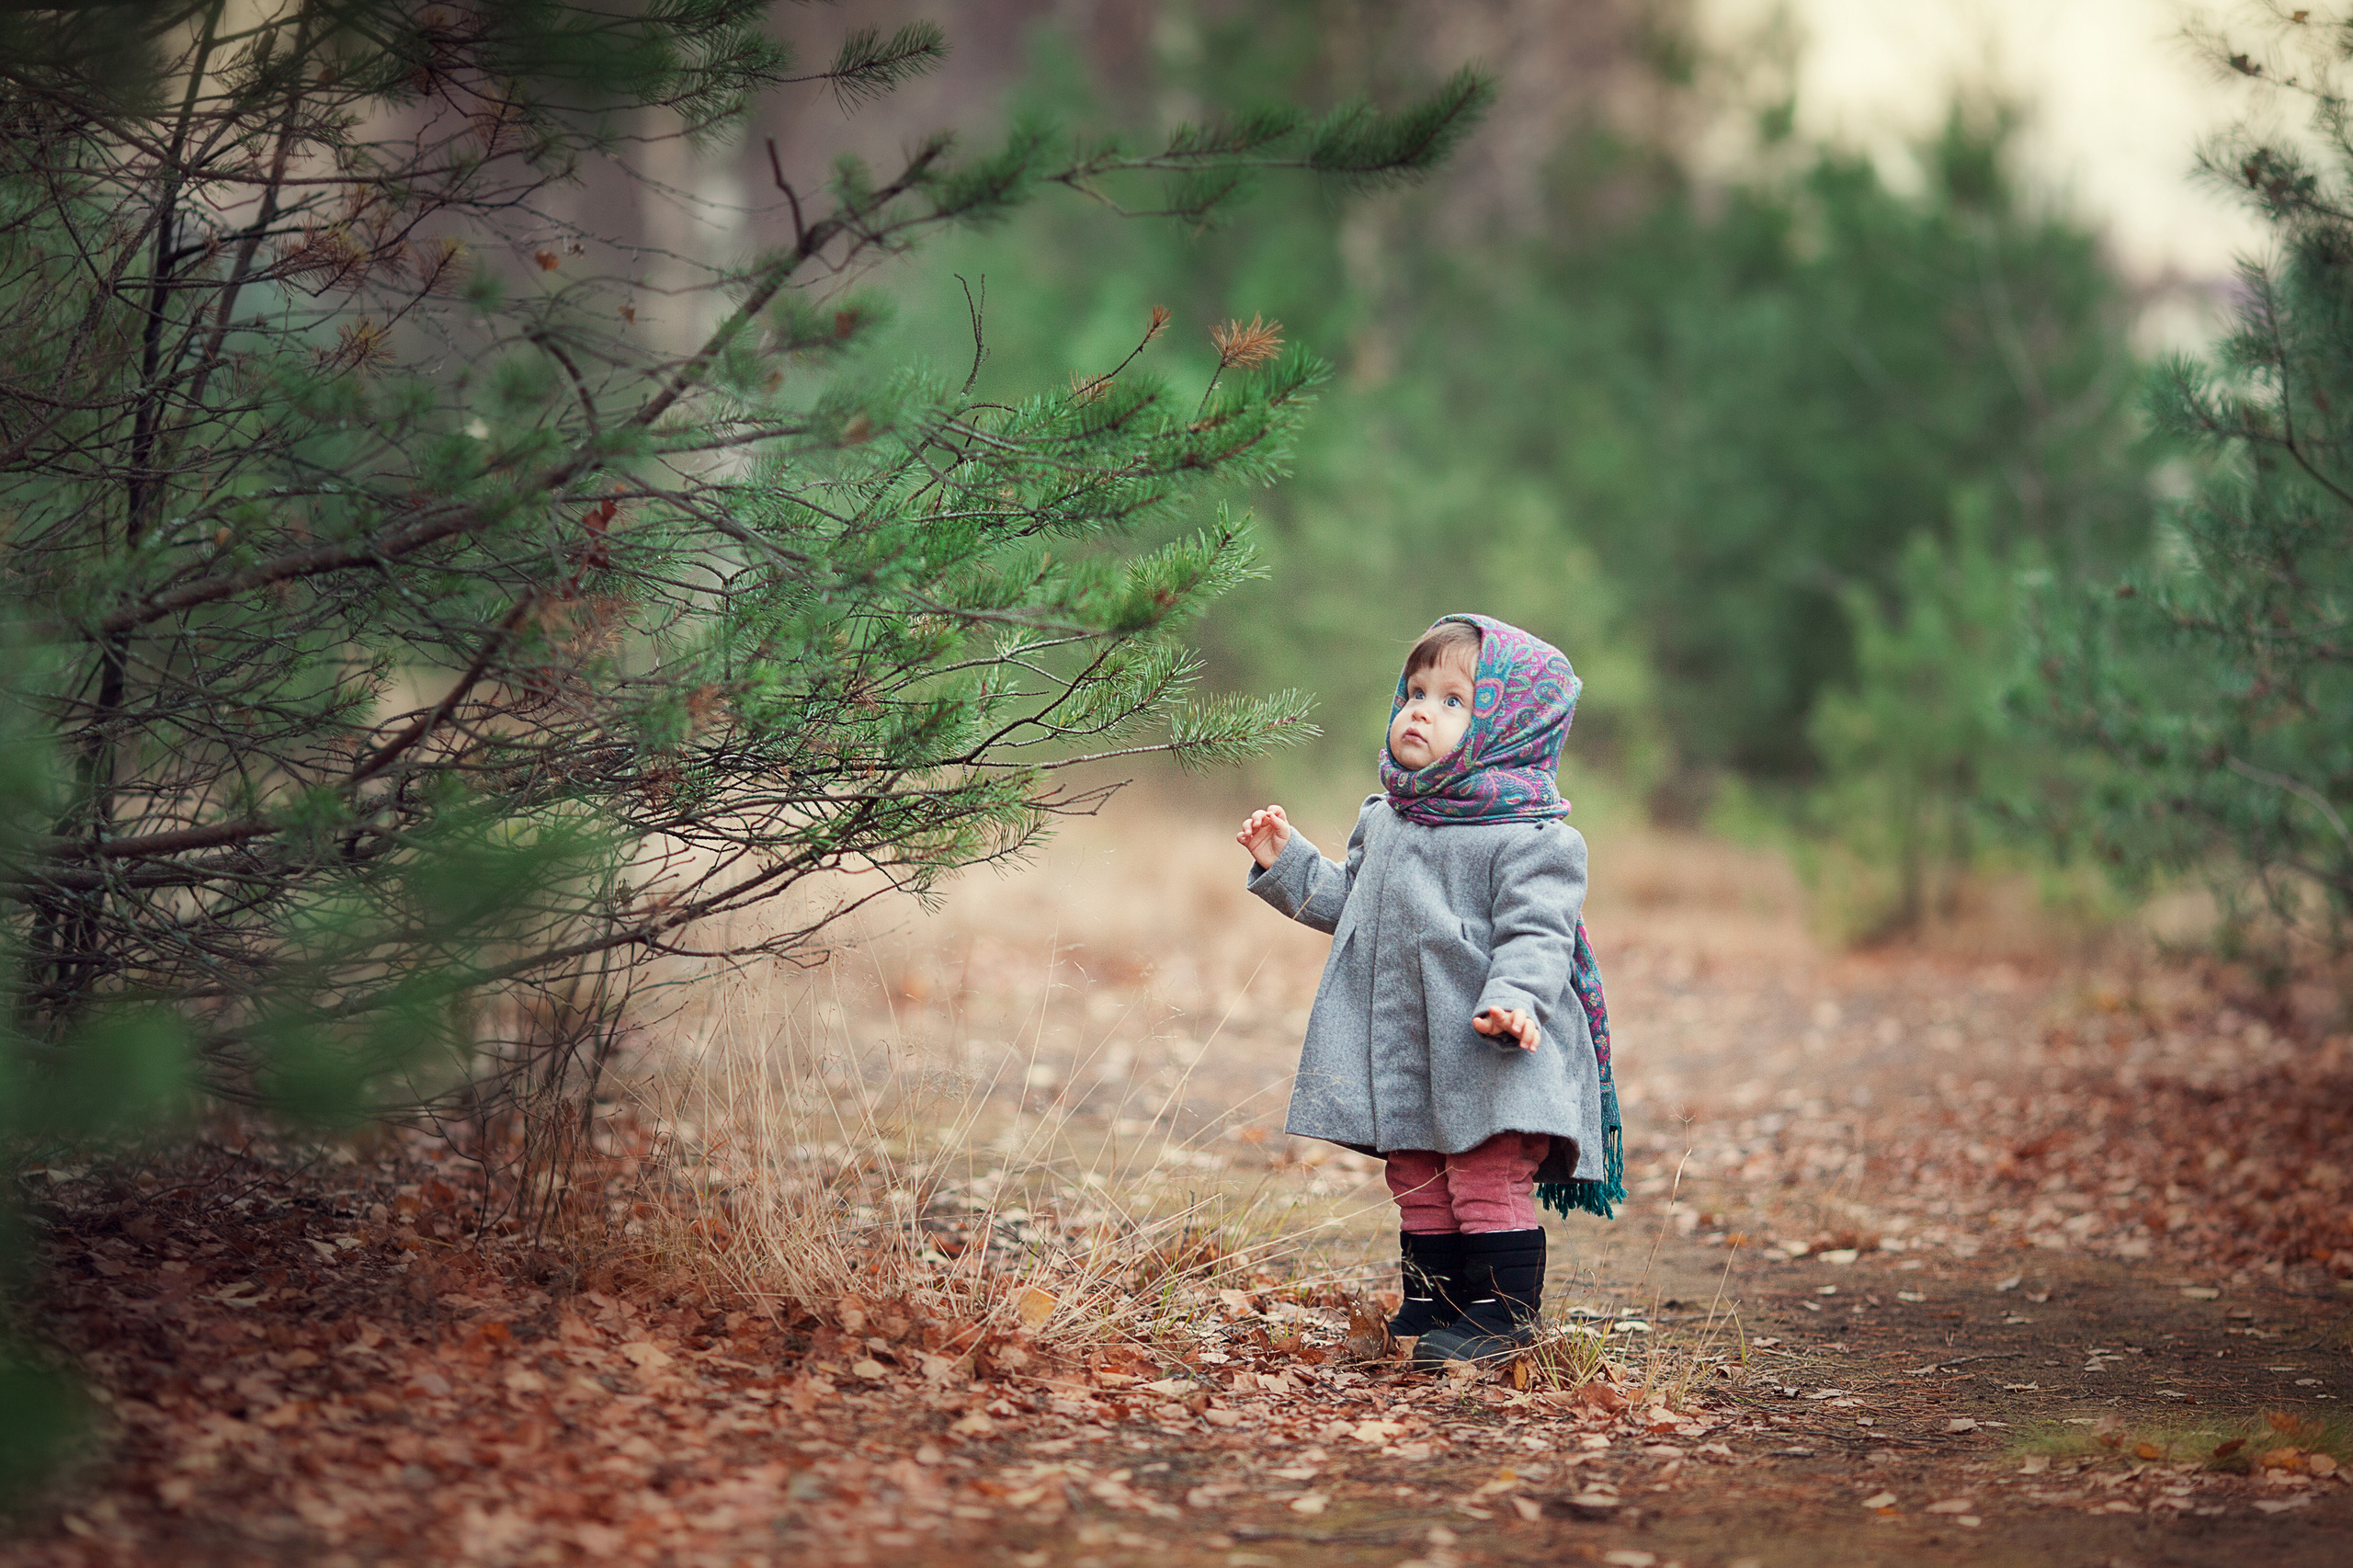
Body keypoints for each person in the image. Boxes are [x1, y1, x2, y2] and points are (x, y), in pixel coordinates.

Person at [1236, 614, 1620, 1365]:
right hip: (1408, 1046)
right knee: (1415, 1172)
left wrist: (1515, 1000)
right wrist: (1289, 863)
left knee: (1481, 1175)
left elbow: (1538, 934)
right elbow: (1353, 906)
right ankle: (1433, 1301)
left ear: (1511, 728)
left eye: (1454, 700)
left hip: (1495, 1044)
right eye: (1415, 691)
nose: (1420, 710)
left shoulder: (1533, 836)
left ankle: (1503, 1316)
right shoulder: (1388, 819)